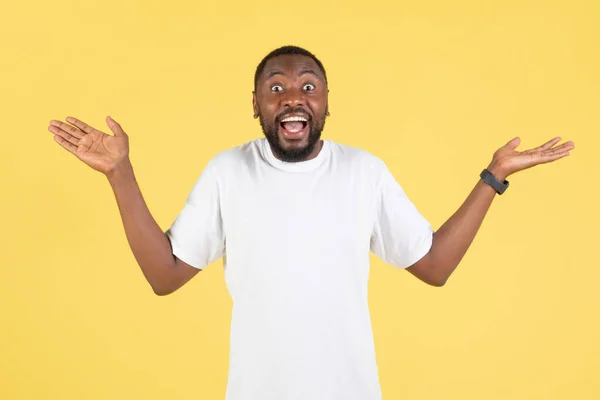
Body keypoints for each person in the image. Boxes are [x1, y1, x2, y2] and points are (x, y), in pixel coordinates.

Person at [47, 45, 574, 400]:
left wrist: (494, 176)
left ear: (325, 103)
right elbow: (165, 276)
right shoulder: (228, 171)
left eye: (307, 86)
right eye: (275, 88)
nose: (292, 96)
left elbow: (435, 265)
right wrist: (120, 172)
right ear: (255, 106)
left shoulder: (363, 172)